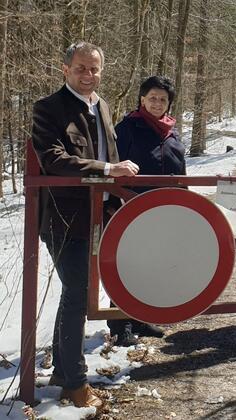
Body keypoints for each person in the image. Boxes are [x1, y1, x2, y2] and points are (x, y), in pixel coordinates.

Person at [31, 42, 139, 409]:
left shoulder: (103, 105)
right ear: (65, 69)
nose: (88, 75)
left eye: (94, 69)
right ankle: (76, 385)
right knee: (78, 291)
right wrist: (109, 169)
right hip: (66, 217)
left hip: (102, 214)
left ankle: (63, 372)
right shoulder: (48, 108)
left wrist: (116, 168)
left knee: (76, 292)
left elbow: (103, 152)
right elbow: (52, 159)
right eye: (81, 68)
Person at [107, 76, 185, 345]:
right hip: (131, 208)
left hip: (165, 212)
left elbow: (180, 173)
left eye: (163, 99)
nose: (157, 103)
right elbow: (112, 165)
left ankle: (140, 318)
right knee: (129, 264)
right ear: (141, 99)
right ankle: (121, 323)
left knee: (152, 265)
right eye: (152, 97)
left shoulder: (172, 132)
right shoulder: (127, 128)